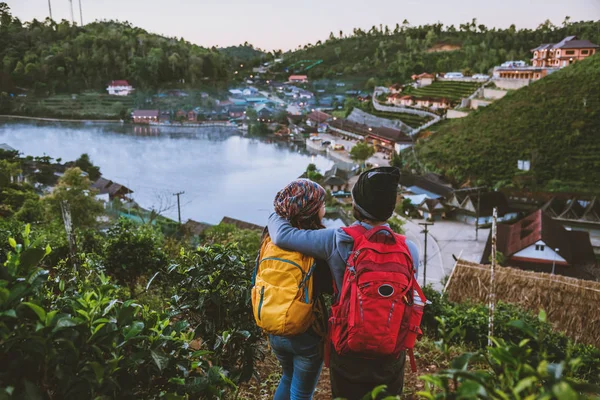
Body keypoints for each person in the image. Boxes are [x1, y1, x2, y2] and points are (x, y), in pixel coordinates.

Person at [267, 167, 420, 400]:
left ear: (355, 206)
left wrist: (278, 210)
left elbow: (282, 236)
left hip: (348, 347)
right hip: (391, 349)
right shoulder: (409, 249)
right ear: (390, 208)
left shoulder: (338, 238)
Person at [265, 179, 333, 400]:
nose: (325, 209)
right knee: (302, 393)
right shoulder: (317, 243)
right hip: (305, 329)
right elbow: (329, 288)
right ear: (312, 209)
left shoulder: (269, 237)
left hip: (273, 324)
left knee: (287, 377)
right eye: (322, 204)